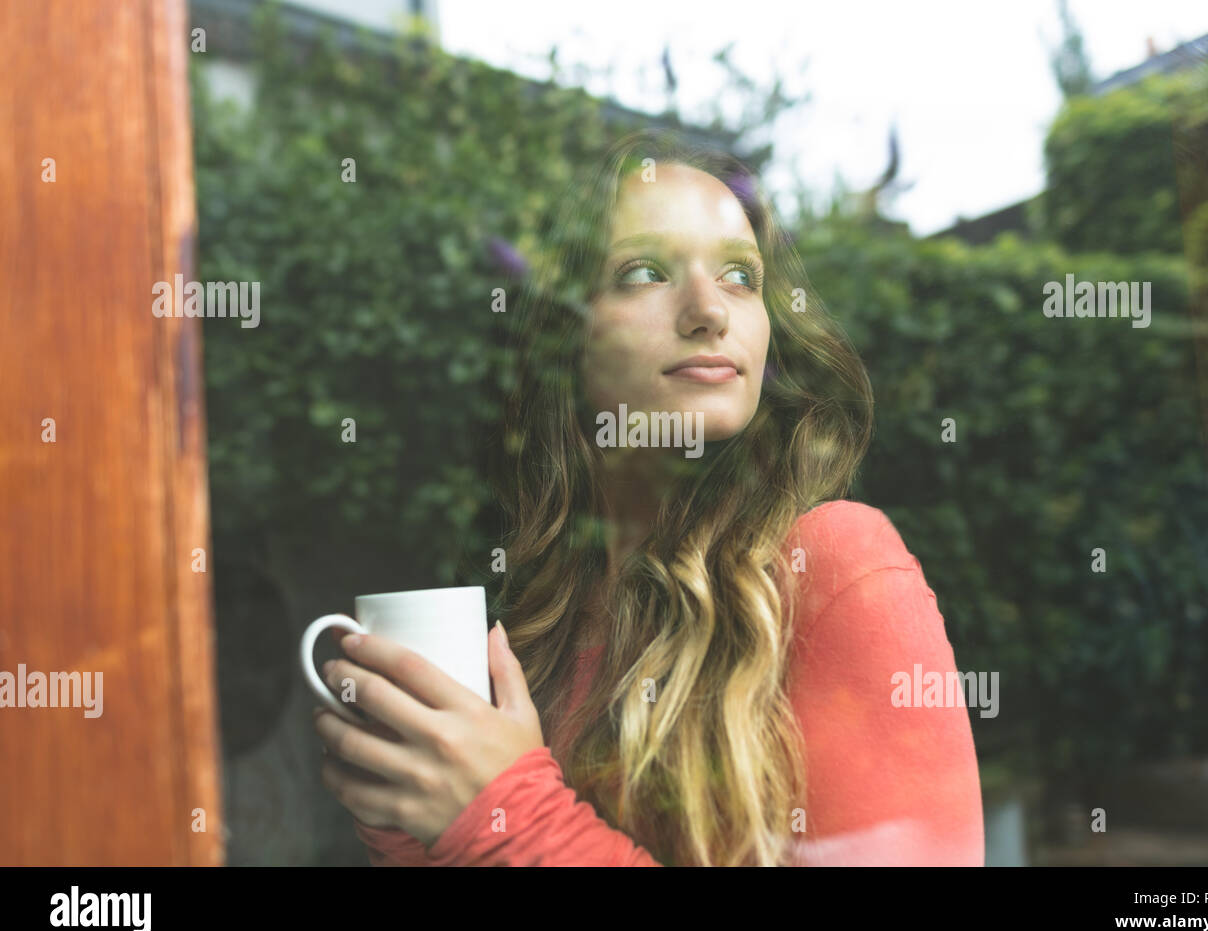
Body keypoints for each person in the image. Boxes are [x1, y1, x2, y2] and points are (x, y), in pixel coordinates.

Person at [312, 128, 983, 866]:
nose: (709, 311)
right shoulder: (548, 620)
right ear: (567, 339)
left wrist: (509, 818)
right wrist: (415, 818)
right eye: (644, 272)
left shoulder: (833, 566)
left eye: (739, 276)